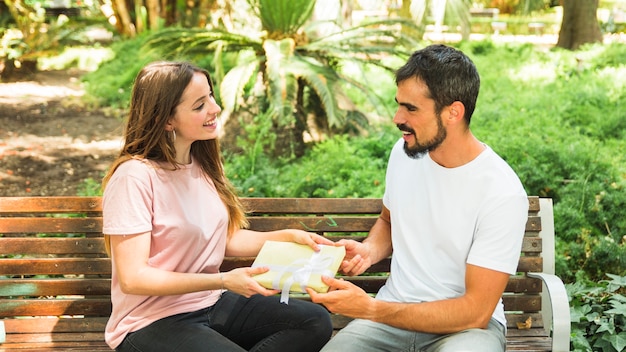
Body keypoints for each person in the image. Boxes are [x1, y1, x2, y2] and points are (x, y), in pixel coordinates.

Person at [308, 44, 529, 352]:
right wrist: (369, 250)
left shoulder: (501, 192)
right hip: (391, 317)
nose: (398, 118)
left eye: (411, 109)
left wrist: (370, 308)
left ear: (453, 112)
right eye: (399, 104)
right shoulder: (404, 153)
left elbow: (476, 311)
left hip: (463, 330)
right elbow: (388, 220)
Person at [102, 61, 333, 352]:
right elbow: (134, 278)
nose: (215, 108)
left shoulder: (203, 164)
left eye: (210, 96)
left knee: (313, 321)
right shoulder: (134, 177)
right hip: (152, 321)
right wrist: (222, 279)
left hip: (211, 302)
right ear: (166, 120)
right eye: (199, 105)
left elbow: (223, 240)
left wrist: (286, 235)